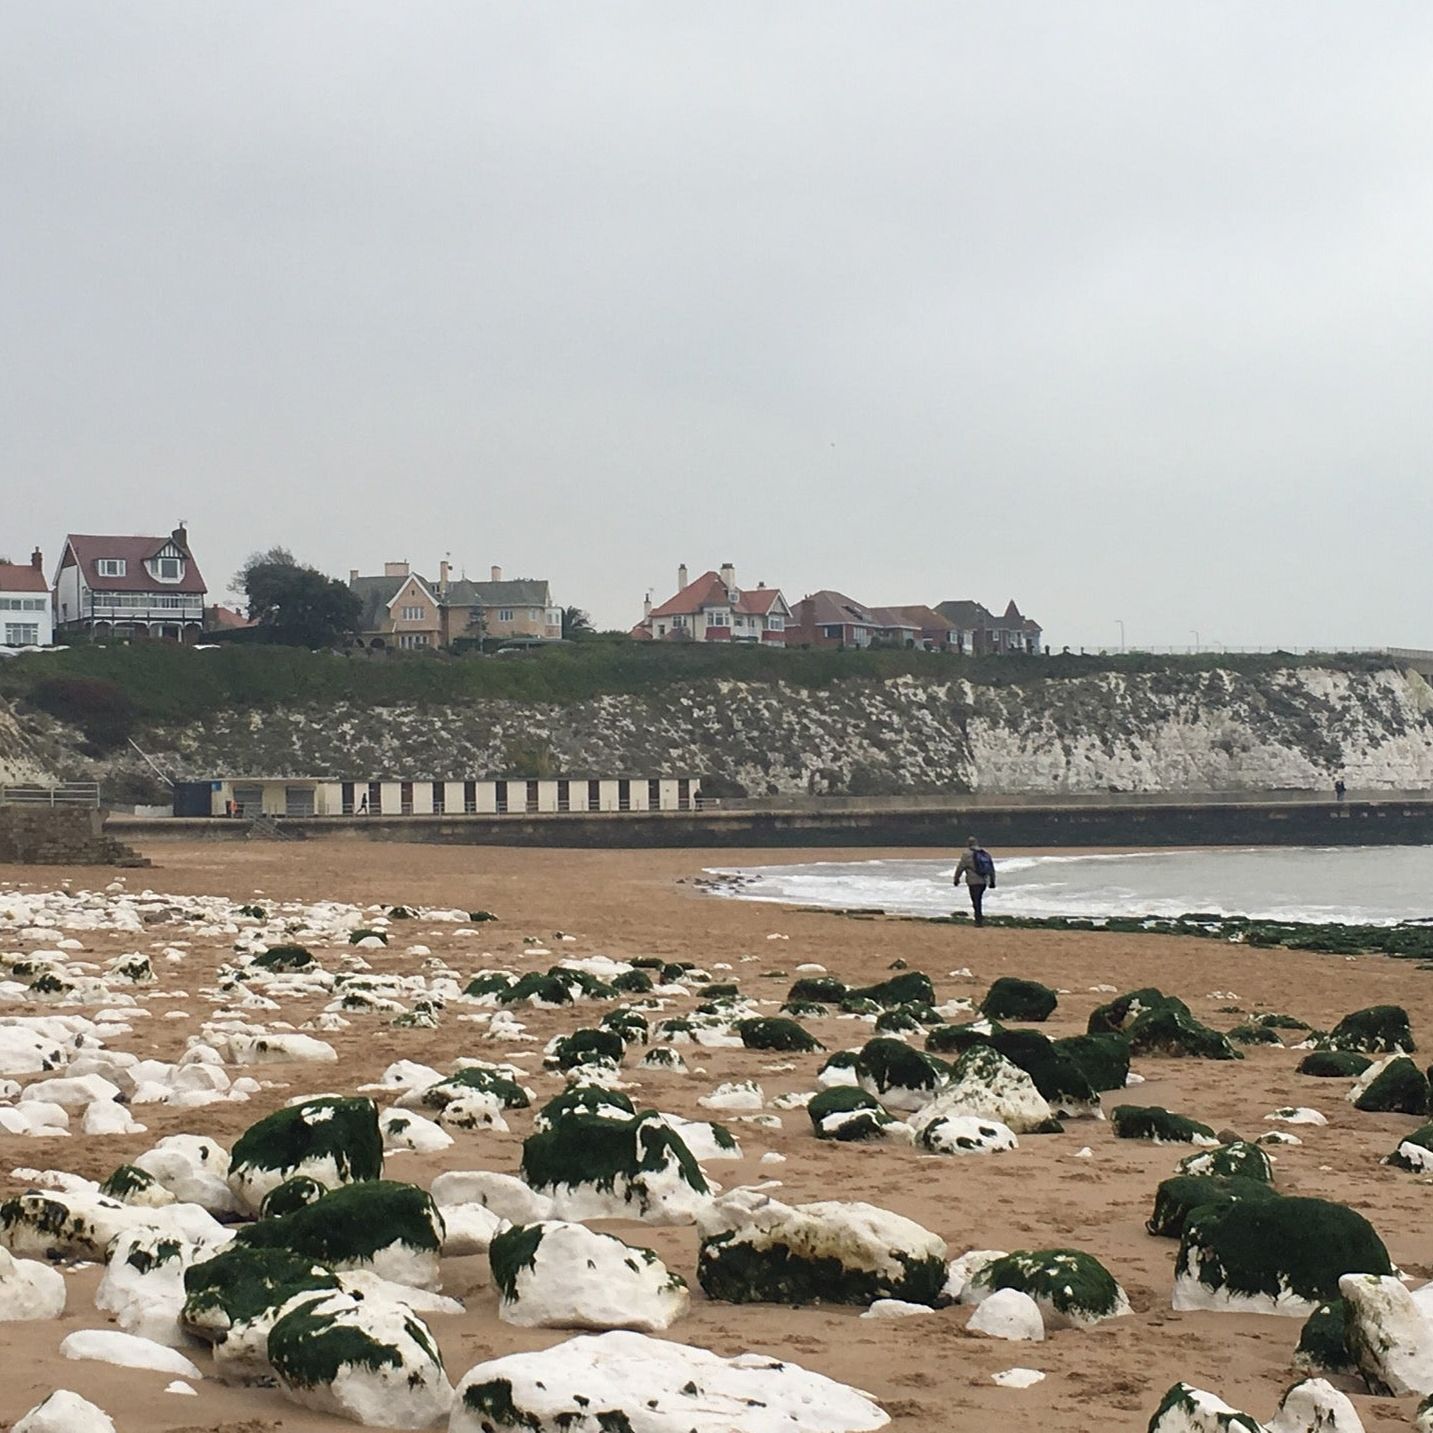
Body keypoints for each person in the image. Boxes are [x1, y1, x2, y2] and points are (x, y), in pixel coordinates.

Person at [953, 836, 996, 926]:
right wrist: (992, 881)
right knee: (978, 898)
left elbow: (961, 867)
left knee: (975, 900)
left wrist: (956, 878)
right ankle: (979, 917)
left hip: (973, 880)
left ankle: (978, 920)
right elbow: (991, 868)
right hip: (984, 880)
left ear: (968, 843)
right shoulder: (984, 853)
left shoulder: (966, 854)